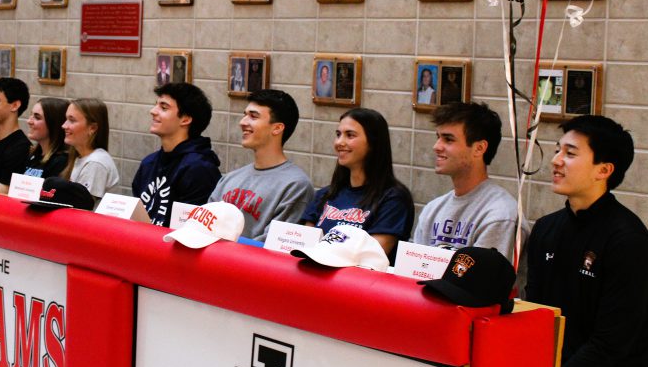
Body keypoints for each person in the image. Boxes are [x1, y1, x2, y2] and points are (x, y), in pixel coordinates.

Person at [524, 115, 648, 367]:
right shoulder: (546, 230)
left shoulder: (628, 240)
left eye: (570, 153)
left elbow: (610, 345)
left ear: (604, 170)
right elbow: (536, 316)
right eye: (557, 150)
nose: (555, 161)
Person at [301, 108, 414, 258]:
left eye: (350, 135)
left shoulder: (393, 199)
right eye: (338, 134)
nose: (339, 142)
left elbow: (372, 256)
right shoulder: (324, 195)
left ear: (373, 143)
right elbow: (303, 246)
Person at [413, 102, 519, 261]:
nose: (436, 146)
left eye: (448, 139)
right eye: (438, 138)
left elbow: (483, 283)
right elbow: (412, 269)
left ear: (479, 148)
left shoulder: (500, 214)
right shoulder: (432, 210)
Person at [209, 89, 313, 240]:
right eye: (245, 115)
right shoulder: (229, 179)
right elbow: (203, 225)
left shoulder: (296, 185)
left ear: (277, 128)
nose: (243, 122)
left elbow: (273, 245)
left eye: (253, 116)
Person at [132, 83, 222, 227]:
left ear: (185, 119)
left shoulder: (199, 169)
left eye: (164, 107)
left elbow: (191, 230)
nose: (153, 111)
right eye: (156, 105)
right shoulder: (149, 163)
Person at [61, 98, 120, 205]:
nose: (64, 125)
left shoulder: (96, 163)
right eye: (66, 119)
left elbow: (82, 210)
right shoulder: (81, 157)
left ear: (92, 128)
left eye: (72, 120)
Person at [24, 97, 69, 179]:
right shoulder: (33, 154)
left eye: (37, 117)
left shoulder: (61, 161)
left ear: (54, 124)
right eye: (31, 115)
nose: (29, 121)